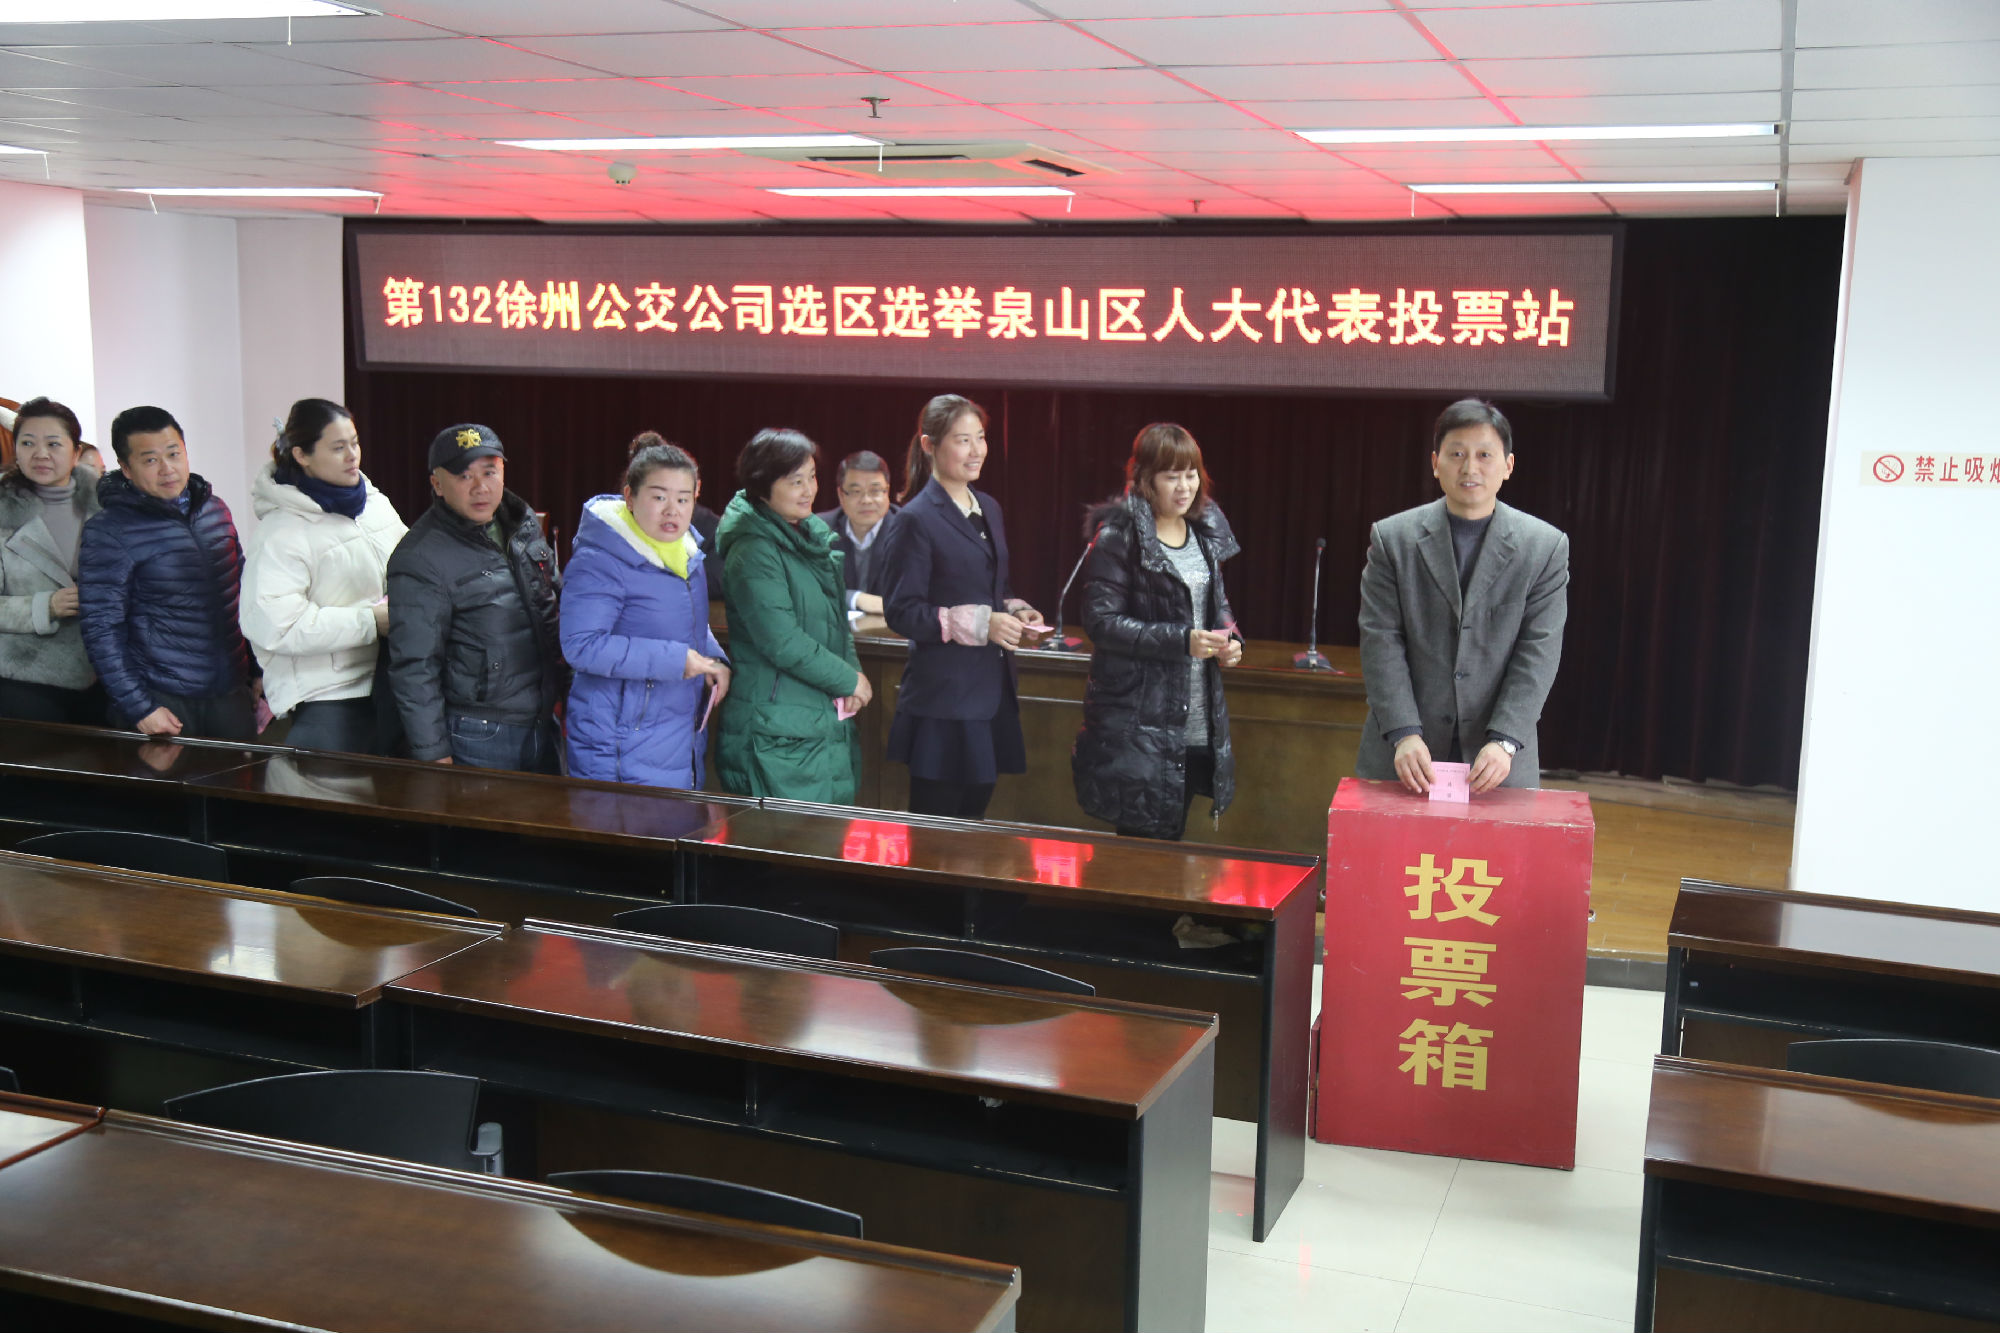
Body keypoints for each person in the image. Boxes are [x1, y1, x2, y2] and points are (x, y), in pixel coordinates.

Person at [1356, 398, 1570, 795]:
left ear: (1508, 465)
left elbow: (1539, 651)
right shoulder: (1393, 539)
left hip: (1498, 760)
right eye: (1457, 454)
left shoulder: (1544, 547)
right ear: (1435, 463)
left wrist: (1505, 740)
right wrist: (1404, 732)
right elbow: (1380, 639)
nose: (1470, 467)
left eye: (1484, 455)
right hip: (1405, 754)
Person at [1071, 423, 1244, 840]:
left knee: (1174, 840)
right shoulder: (1119, 537)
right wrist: (1180, 640)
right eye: (1171, 476)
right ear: (1145, 479)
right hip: (1139, 721)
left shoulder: (1202, 531)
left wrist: (1231, 639)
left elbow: (1216, 604)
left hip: (1196, 716)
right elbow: (1102, 622)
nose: (1184, 487)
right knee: (1144, 848)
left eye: (1191, 475)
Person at [878, 394, 1046, 820]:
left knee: (974, 824)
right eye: (962, 440)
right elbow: (901, 611)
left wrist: (1016, 610)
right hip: (944, 701)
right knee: (937, 830)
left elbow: (989, 587)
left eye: (981, 438)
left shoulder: (988, 506)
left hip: (990, 691)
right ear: (930, 445)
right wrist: (982, 624)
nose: (977, 451)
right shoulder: (915, 518)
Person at [385, 423, 564, 772]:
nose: (481, 487)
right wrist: (433, 754)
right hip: (479, 731)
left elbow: (553, 604)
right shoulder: (420, 557)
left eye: (489, 472)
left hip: (543, 718)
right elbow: (415, 667)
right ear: (437, 484)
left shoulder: (522, 523)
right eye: (464, 476)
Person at [79, 406, 260, 740]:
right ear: (126, 468)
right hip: (162, 697)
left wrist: (259, 668)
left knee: (244, 776)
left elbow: (243, 595)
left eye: (174, 454)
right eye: (150, 460)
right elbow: (101, 627)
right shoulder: (109, 530)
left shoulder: (215, 510)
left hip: (231, 690)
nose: (167, 469)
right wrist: (139, 707)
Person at [240, 398, 407, 754]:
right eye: (337, 448)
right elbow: (274, 625)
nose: (352, 456)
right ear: (302, 455)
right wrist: (370, 621)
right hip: (329, 696)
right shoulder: (280, 533)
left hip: (390, 680)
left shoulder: (374, 504)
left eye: (355, 443)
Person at [562, 437, 730, 789]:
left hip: (676, 732)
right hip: (619, 740)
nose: (672, 510)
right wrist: (676, 660)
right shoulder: (601, 558)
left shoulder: (686, 551)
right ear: (629, 496)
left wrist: (713, 659)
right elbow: (582, 645)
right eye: (659, 497)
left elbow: (688, 622)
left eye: (683, 499)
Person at [712, 428, 866, 801]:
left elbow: (835, 621)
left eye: (811, 477)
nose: (809, 489)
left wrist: (853, 671)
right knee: (785, 835)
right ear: (763, 486)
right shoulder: (754, 550)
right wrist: (847, 679)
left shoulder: (808, 538)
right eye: (796, 481)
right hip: (775, 729)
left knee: (825, 833)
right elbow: (781, 640)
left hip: (814, 720)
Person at [0, 397, 105, 724]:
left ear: (75, 451)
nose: (40, 454)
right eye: (28, 443)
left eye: (53, 443)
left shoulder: (108, 506)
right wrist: (44, 607)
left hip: (104, 674)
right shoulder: (2, 513)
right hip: (25, 678)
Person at [814, 449, 896, 616]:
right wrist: (855, 598)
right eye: (856, 491)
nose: (866, 500)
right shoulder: (820, 529)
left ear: (887, 491)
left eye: (875, 490)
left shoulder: (908, 531)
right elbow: (811, 588)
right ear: (841, 495)